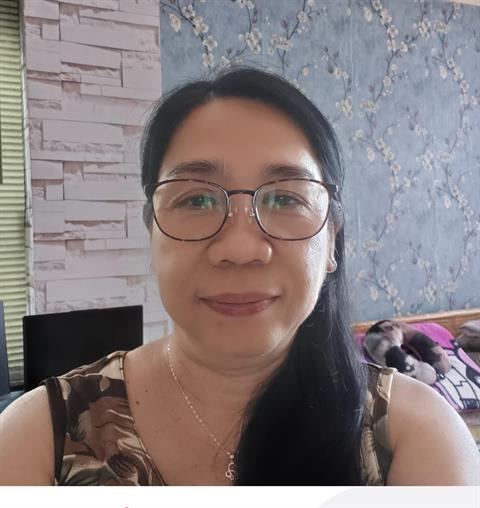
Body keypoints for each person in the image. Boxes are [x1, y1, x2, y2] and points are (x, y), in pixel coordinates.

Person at [0, 67, 478, 486]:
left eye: (286, 198)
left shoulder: (415, 436)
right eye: (196, 199)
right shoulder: (40, 438)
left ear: (332, 241)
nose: (240, 249)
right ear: (152, 235)